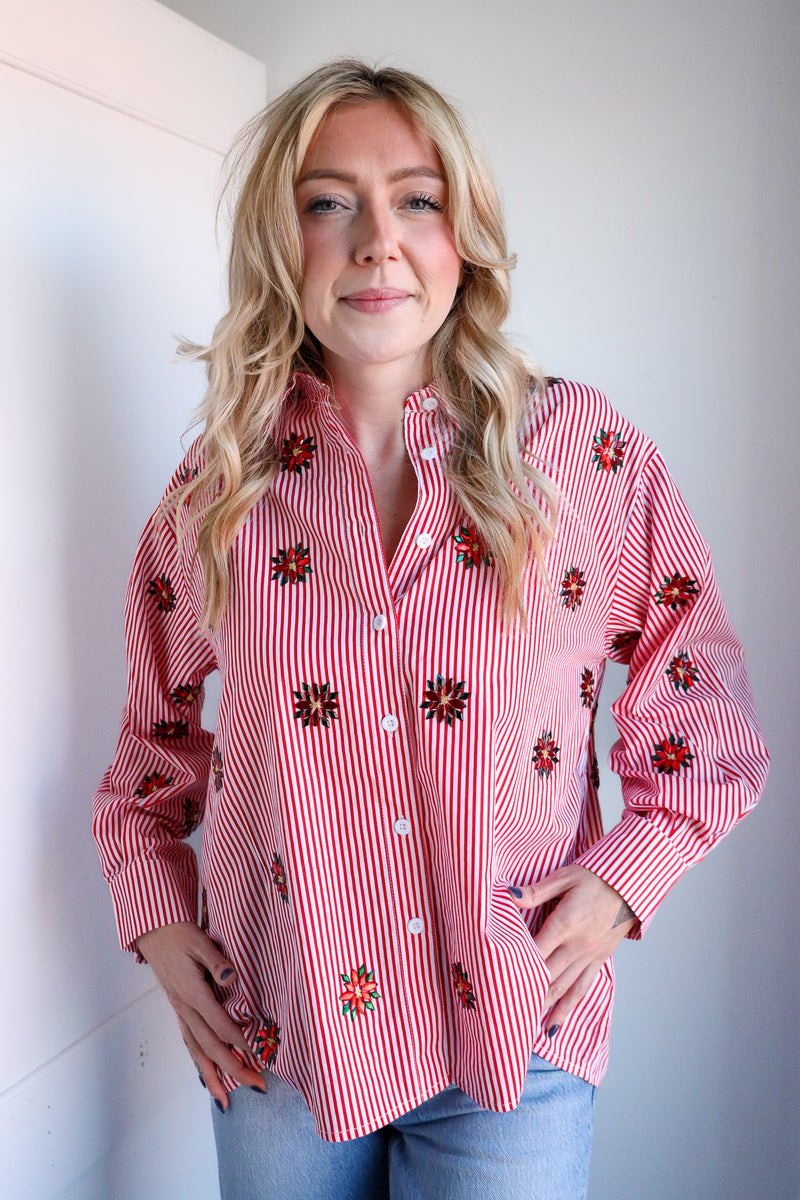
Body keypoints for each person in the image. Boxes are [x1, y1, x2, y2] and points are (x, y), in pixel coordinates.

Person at [92, 60, 768, 1199]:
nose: (377, 242)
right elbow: (148, 750)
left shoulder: (581, 455)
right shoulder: (218, 490)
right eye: (328, 201)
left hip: (514, 1032)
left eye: (417, 198)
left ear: (466, 235)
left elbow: (705, 703)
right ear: (279, 239)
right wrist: (156, 919)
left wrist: (624, 881)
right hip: (282, 1035)